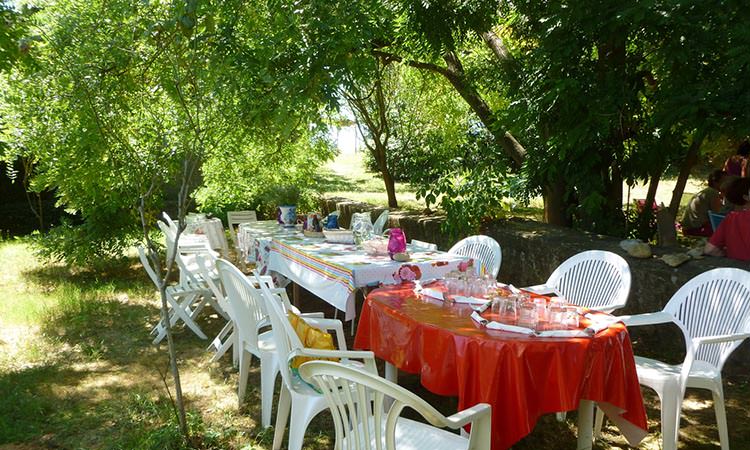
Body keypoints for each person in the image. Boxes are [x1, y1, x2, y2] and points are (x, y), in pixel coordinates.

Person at [704, 177, 750, 261]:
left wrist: (726, 253)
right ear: (746, 197)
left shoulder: (731, 218)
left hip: (735, 271)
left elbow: (710, 250)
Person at [681, 169, 727, 237]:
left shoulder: (706, 192)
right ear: (715, 182)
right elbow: (719, 214)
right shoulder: (712, 193)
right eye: (724, 181)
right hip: (695, 230)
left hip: (690, 228)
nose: (727, 184)